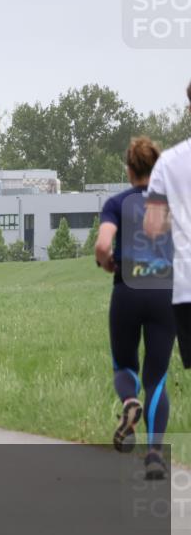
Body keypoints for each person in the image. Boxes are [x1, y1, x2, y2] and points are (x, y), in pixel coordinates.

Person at [96, 137, 175, 481]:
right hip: (164, 293)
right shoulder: (173, 203)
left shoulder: (116, 202)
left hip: (127, 291)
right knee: (156, 377)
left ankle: (129, 403)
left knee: (124, 364)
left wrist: (107, 262)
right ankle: (155, 455)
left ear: (129, 170)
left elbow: (102, 244)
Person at [142, 80, 191, 480]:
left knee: (159, 365)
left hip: (183, 284)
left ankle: (155, 450)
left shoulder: (169, 164)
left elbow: (153, 229)